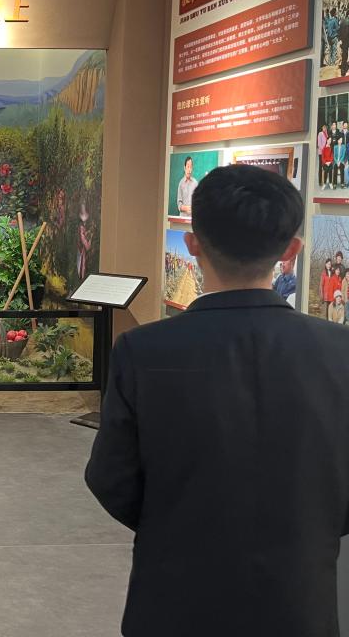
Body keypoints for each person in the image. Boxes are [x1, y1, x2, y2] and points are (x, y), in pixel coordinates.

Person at [85, 163, 349, 637]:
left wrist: (173, 522)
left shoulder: (143, 350)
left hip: (175, 598)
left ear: (193, 243)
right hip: (298, 602)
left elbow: (111, 478)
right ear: (291, 250)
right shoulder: (340, 351)